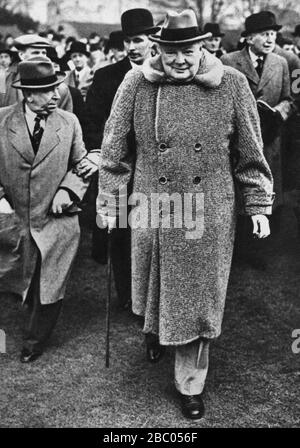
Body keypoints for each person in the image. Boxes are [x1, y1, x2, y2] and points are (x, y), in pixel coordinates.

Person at [96, 10, 274, 420]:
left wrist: (258, 204)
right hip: (155, 206)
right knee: (159, 289)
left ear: (204, 47)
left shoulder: (232, 84)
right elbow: (114, 150)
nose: (180, 60)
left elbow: (250, 154)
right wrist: (110, 202)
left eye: (188, 51)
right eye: (171, 51)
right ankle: (157, 331)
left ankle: (190, 384)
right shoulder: (136, 83)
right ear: (158, 48)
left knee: (197, 300)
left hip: (207, 210)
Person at [0, 57, 99, 363]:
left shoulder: (69, 123)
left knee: (50, 283)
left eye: (57, 87)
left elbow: (82, 164)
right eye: (48, 90)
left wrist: (69, 190)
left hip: (58, 220)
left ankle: (34, 339)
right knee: (20, 280)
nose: (57, 95)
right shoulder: (2, 122)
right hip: (16, 219)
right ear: (28, 94)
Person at [85, 9, 160, 311]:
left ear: (152, 40)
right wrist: (103, 152)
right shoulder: (106, 77)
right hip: (119, 170)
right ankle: (126, 295)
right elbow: (92, 121)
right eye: (128, 40)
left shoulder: (166, 75)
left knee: (152, 234)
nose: (132, 47)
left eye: (138, 40)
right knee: (120, 235)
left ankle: (151, 296)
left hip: (154, 171)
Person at [221, 11, 292, 268]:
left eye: (273, 33)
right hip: (238, 142)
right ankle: (238, 250)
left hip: (270, 141)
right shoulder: (228, 61)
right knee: (240, 193)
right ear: (249, 37)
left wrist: (278, 114)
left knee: (266, 192)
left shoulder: (280, 63)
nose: (270, 38)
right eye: (264, 34)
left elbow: (288, 99)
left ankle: (262, 251)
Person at [0, 34, 73, 111]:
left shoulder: (61, 88)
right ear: (21, 55)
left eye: (44, 53)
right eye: (36, 53)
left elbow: (66, 119)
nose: (42, 57)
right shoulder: (4, 80)